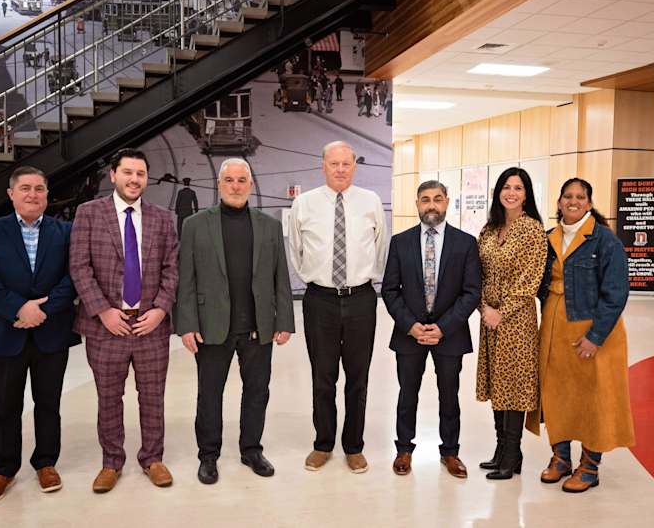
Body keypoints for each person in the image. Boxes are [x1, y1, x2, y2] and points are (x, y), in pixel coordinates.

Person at [177, 158, 294, 485]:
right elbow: (185, 279)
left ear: (251, 185)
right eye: (229, 180)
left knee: (258, 391)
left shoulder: (269, 226)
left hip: (258, 325)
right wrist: (186, 324)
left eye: (242, 180)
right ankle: (208, 455)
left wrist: (283, 319)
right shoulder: (196, 225)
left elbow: (280, 278)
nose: (236, 185)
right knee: (209, 393)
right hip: (211, 325)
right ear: (219, 184)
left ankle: (251, 449)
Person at [70, 148, 178, 493]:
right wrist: (103, 310)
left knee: (153, 396)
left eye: (141, 174)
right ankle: (111, 462)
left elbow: (172, 269)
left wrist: (160, 310)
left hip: (150, 326)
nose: (134, 179)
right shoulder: (89, 213)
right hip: (106, 327)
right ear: (113, 175)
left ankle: (152, 458)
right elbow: (79, 266)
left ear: (147, 178)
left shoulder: (162, 218)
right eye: (128, 172)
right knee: (108, 397)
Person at [0, 166, 80, 503]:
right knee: (5, 405)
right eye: (26, 189)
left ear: (48, 194)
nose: (33, 195)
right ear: (11, 194)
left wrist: (42, 310)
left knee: (49, 403)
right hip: (6, 332)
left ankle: (46, 462)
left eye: (40, 189)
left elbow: (74, 275)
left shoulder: (64, 232)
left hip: (51, 332)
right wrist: (20, 308)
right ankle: (3, 470)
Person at [526, 178, 635, 493]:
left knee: (592, 397)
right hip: (554, 328)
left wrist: (595, 336)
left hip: (594, 331)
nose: (573, 201)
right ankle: (560, 459)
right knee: (556, 393)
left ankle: (589, 466)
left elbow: (615, 294)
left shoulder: (604, 241)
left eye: (580, 197)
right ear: (559, 202)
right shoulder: (549, 238)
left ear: (589, 203)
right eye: (567, 196)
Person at [289, 140, 387, 474]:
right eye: (334, 164)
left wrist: (366, 280)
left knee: (358, 377)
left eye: (346, 164)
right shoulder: (305, 203)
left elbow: (380, 246)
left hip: (361, 298)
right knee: (323, 376)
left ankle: (354, 446)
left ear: (354, 167)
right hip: (320, 300)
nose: (340, 170)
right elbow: (296, 249)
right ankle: (323, 443)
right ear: (324, 165)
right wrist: (314, 279)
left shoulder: (371, 201)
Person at [382, 181, 481, 478]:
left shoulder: (465, 243)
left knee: (449, 395)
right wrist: (411, 326)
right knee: (407, 393)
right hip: (408, 333)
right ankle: (403, 449)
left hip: (449, 335)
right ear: (417, 204)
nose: (431, 205)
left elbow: (471, 292)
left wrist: (443, 327)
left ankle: (450, 452)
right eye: (425, 199)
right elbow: (390, 290)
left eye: (437, 199)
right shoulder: (400, 242)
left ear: (447, 202)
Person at [476, 167, 547, 480]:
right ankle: (501, 450)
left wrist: (500, 311)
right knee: (496, 383)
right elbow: (475, 272)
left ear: (526, 194)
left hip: (516, 321)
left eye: (518, 188)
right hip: (488, 318)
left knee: (514, 385)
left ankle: (511, 453)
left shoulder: (532, 231)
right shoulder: (489, 230)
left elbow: (529, 279)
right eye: (506, 187)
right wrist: (483, 307)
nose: (512, 193)